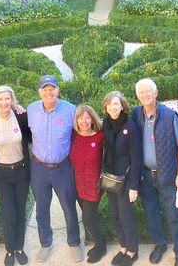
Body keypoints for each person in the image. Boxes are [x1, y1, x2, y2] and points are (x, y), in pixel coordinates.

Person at [27, 74, 84, 263]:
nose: (49, 92)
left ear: (58, 90)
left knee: (69, 206)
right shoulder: (31, 109)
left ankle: (74, 242)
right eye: (45, 89)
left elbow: (81, 133)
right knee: (42, 208)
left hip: (62, 167)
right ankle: (46, 243)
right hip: (39, 168)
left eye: (52, 89)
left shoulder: (70, 110)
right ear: (39, 92)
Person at [132, 78, 178, 266]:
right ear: (137, 96)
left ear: (156, 93)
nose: (145, 95)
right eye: (141, 92)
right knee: (151, 213)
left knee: (174, 216)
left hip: (167, 175)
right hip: (146, 176)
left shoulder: (169, 115)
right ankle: (160, 244)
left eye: (148, 91)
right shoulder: (135, 114)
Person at [0, 86, 32, 266]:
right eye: (0, 99)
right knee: (8, 215)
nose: (4, 102)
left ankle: (19, 247)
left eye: (7, 99)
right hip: (2, 175)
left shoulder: (21, 117)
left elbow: (34, 137)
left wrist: (24, 111)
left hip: (21, 172)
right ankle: (9, 250)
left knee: (20, 212)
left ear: (12, 100)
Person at [101, 91, 142, 266]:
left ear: (122, 105)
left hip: (125, 181)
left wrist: (134, 187)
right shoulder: (106, 123)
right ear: (105, 107)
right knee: (115, 215)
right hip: (111, 179)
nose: (113, 107)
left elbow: (136, 159)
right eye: (109, 105)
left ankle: (133, 251)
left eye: (116, 104)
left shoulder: (130, 127)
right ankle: (123, 247)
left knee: (126, 217)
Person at [69, 105, 106, 263]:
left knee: (88, 218)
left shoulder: (100, 137)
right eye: (80, 118)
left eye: (87, 117)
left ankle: (101, 245)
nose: (84, 121)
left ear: (92, 119)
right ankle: (100, 242)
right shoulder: (73, 136)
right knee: (90, 217)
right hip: (77, 185)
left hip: (93, 185)